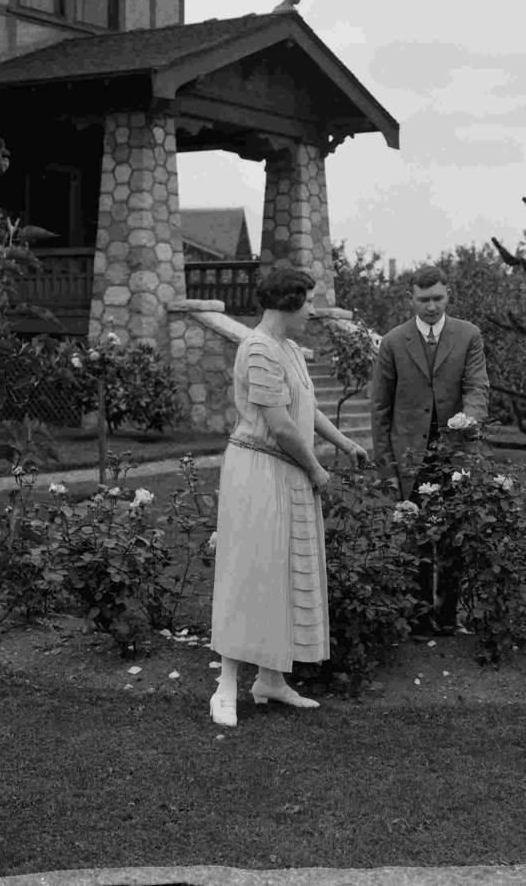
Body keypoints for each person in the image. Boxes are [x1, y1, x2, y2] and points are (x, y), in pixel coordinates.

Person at [208, 267, 369, 727]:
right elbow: (278, 425)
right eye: (310, 302)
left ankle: (271, 681)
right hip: (258, 471)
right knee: (250, 572)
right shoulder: (257, 348)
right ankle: (226, 687)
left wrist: (344, 444)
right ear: (289, 302)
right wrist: (318, 471)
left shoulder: (290, 349)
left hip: (286, 472)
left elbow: (305, 409)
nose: (314, 310)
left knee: (279, 573)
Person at [370, 264, 489, 635]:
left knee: (454, 534)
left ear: (448, 294)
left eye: (438, 298)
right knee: (415, 537)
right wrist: (386, 469)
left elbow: (476, 387)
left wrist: (468, 421)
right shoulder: (393, 342)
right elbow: (380, 410)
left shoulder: (468, 335)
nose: (432, 307)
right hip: (410, 455)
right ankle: (419, 620)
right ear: (411, 299)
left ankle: (449, 618)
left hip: (455, 452)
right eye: (424, 300)